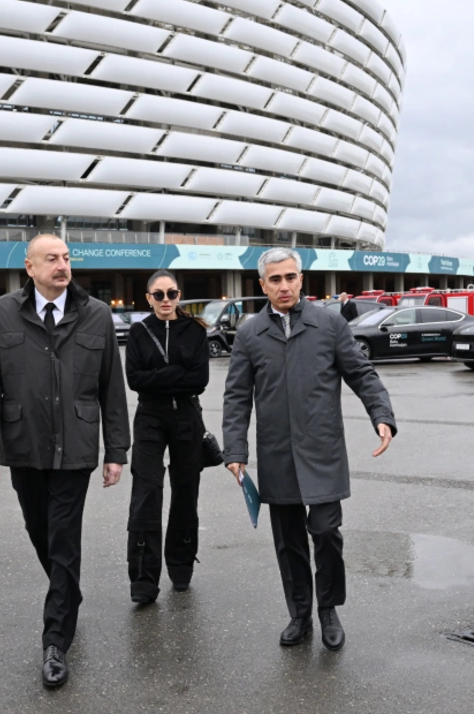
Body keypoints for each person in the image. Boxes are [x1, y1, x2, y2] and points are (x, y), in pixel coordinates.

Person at [0, 234, 129, 689]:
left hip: (76, 447)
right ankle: (69, 594)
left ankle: (55, 642)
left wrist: (116, 450)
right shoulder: (3, 312)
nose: (62, 265)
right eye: (52, 259)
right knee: (39, 531)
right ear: (30, 267)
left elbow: (111, 388)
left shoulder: (96, 313)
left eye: (66, 258)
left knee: (63, 538)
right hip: (25, 444)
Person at [222, 247, 396, 652]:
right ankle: (299, 614)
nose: (284, 286)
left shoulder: (329, 324)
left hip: (322, 451)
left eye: (290, 278)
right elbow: (236, 397)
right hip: (277, 454)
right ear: (261, 285)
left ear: (302, 280)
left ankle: (328, 609)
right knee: (288, 542)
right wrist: (235, 450)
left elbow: (361, 373)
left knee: (326, 532)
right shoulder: (249, 333)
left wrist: (381, 415)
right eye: (275, 280)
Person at [124, 270, 210, 604]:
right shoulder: (139, 331)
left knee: (186, 491)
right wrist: (178, 375)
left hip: (187, 417)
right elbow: (135, 380)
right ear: (148, 298)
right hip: (149, 417)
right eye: (157, 295)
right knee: (146, 492)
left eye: (171, 294)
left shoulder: (195, 330)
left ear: (179, 296)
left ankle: (181, 566)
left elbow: (199, 379)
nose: (165, 300)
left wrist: (158, 377)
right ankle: (143, 580)